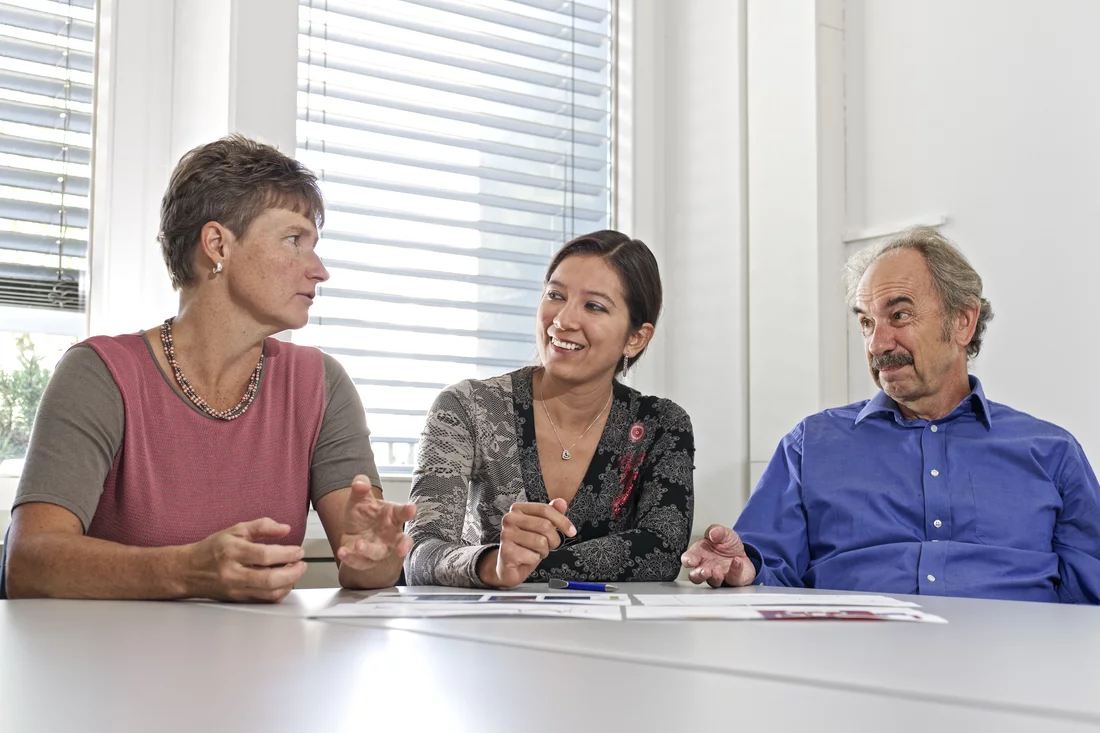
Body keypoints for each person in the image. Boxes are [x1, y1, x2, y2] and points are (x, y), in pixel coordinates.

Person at [2, 135, 415, 601]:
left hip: (262, 650)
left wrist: (378, 555)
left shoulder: (320, 384)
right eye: (294, 240)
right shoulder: (100, 374)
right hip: (111, 648)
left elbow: (366, 567)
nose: (319, 270)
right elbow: (29, 564)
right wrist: (189, 570)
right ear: (217, 244)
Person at [682, 227, 1100, 603]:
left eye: (899, 315)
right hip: (852, 653)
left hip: (1012, 657)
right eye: (867, 322)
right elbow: (765, 570)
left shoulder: (1053, 454)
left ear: (962, 321)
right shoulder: (810, 445)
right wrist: (744, 570)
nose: (877, 344)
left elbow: (1089, 596)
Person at [404, 230, 694, 588]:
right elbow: (419, 553)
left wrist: (526, 567)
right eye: (556, 295)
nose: (563, 320)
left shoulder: (661, 425)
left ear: (635, 338)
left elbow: (661, 551)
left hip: (616, 624)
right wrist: (492, 563)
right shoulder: (467, 407)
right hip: (492, 621)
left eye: (594, 306)